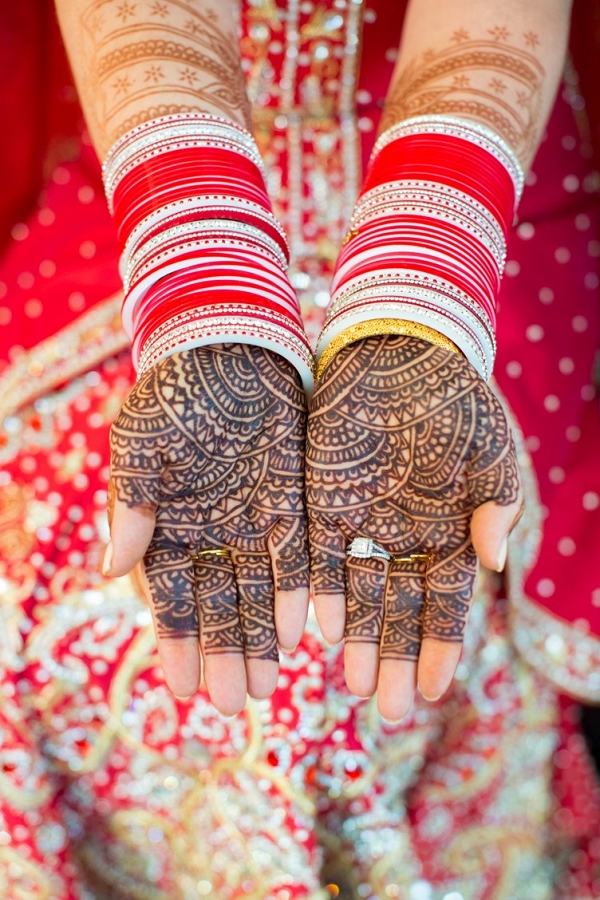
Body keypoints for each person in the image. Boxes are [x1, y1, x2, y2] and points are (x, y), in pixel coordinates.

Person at [0, 0, 599, 898]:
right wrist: (206, 293)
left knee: (362, 650)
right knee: (80, 591)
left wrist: (421, 303)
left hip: (484, 208)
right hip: (139, 180)